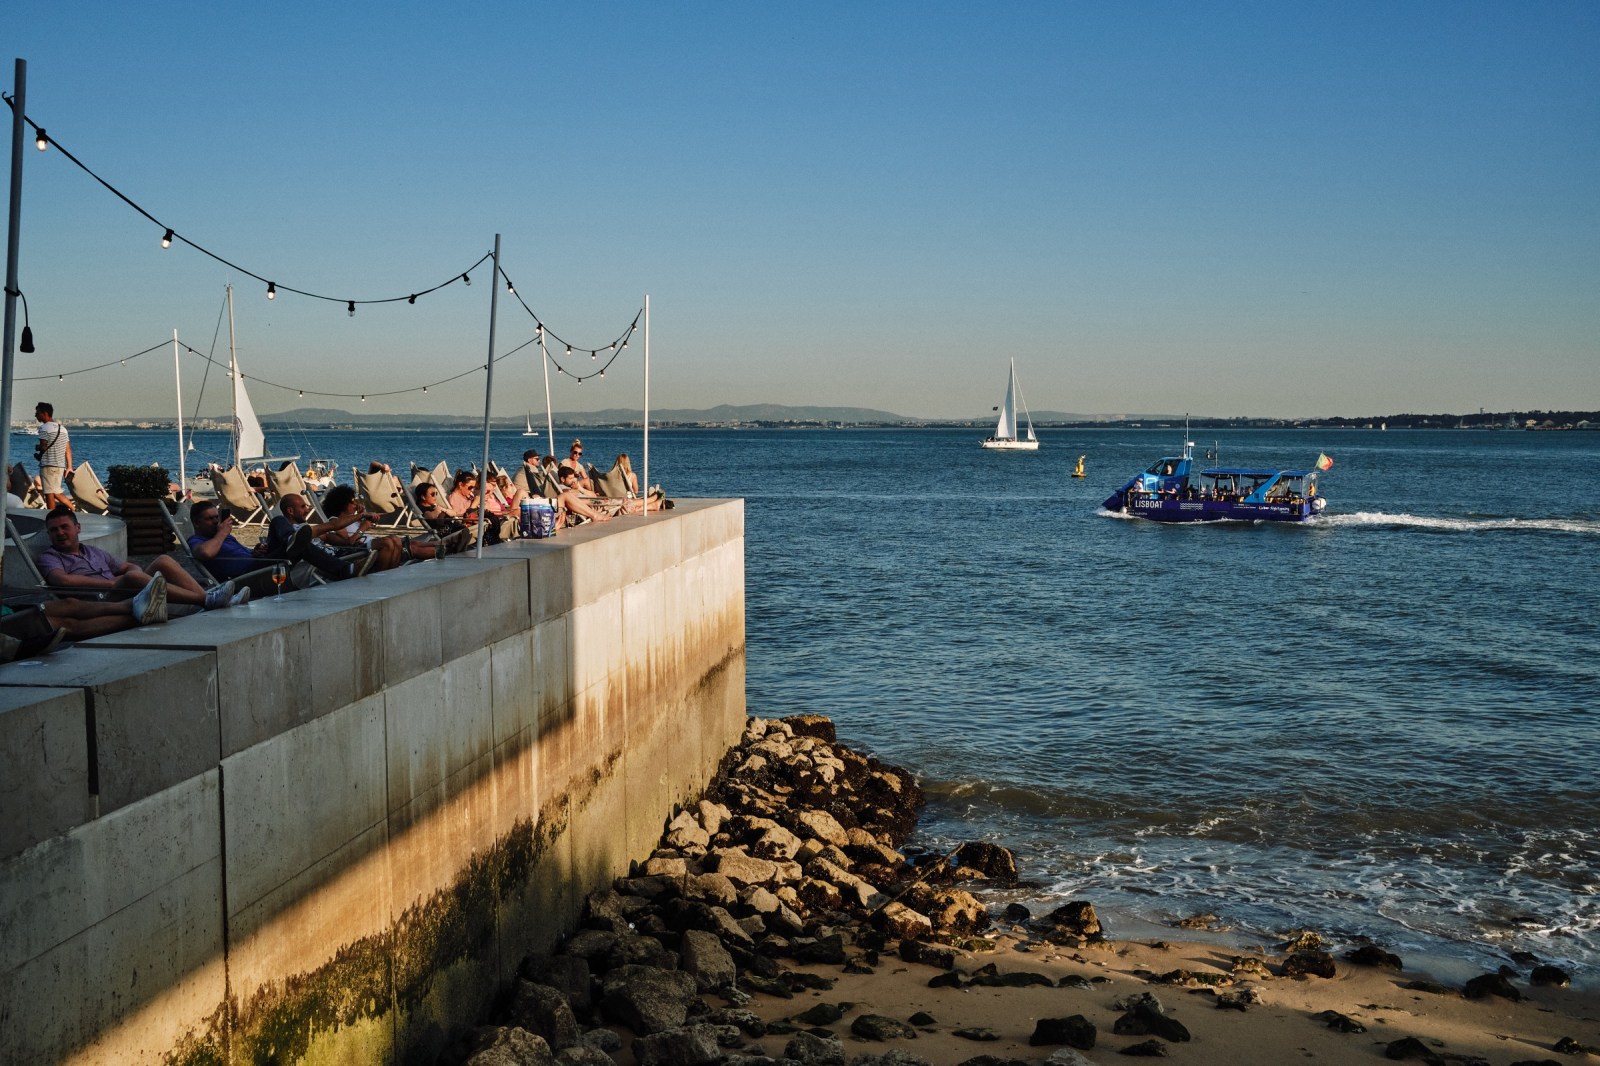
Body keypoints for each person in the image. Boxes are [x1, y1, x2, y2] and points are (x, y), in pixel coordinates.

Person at [38, 505, 246, 610]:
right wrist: (112, 583)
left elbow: (127, 566)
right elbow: (61, 580)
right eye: (54, 530)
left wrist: (131, 574)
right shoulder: (50, 557)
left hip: (120, 589)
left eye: (64, 527)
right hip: (101, 598)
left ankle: (209, 599)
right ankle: (207, 599)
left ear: (77, 528)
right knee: (132, 578)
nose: (60, 533)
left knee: (162, 560)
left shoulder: (93, 551)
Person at [259, 493, 377, 581]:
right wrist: (362, 516)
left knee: (389, 544)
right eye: (303, 506)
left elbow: (341, 540)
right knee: (278, 520)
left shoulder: (304, 531)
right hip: (321, 566)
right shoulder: (298, 532)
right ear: (290, 511)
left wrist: (356, 536)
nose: (307, 510)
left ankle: (291, 539)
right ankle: (290, 539)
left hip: (339, 555)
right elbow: (333, 525)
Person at [319, 484, 405, 570]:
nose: (356, 504)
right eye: (352, 502)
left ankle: (392, 573)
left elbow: (364, 526)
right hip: (357, 550)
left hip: (369, 546)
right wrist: (363, 527)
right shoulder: (335, 521)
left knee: (395, 539)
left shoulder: (352, 518)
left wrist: (363, 515)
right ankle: (382, 575)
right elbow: (349, 543)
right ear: (342, 504)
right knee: (387, 542)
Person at [34, 402, 73, 511]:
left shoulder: (44, 428)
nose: (36, 416)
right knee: (56, 491)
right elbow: (68, 449)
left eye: (37, 413)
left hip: (48, 465)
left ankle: (51, 515)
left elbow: (43, 447)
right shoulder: (63, 429)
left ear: (45, 413)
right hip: (60, 465)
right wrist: (69, 466)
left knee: (49, 493)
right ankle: (73, 509)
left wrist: (37, 448)